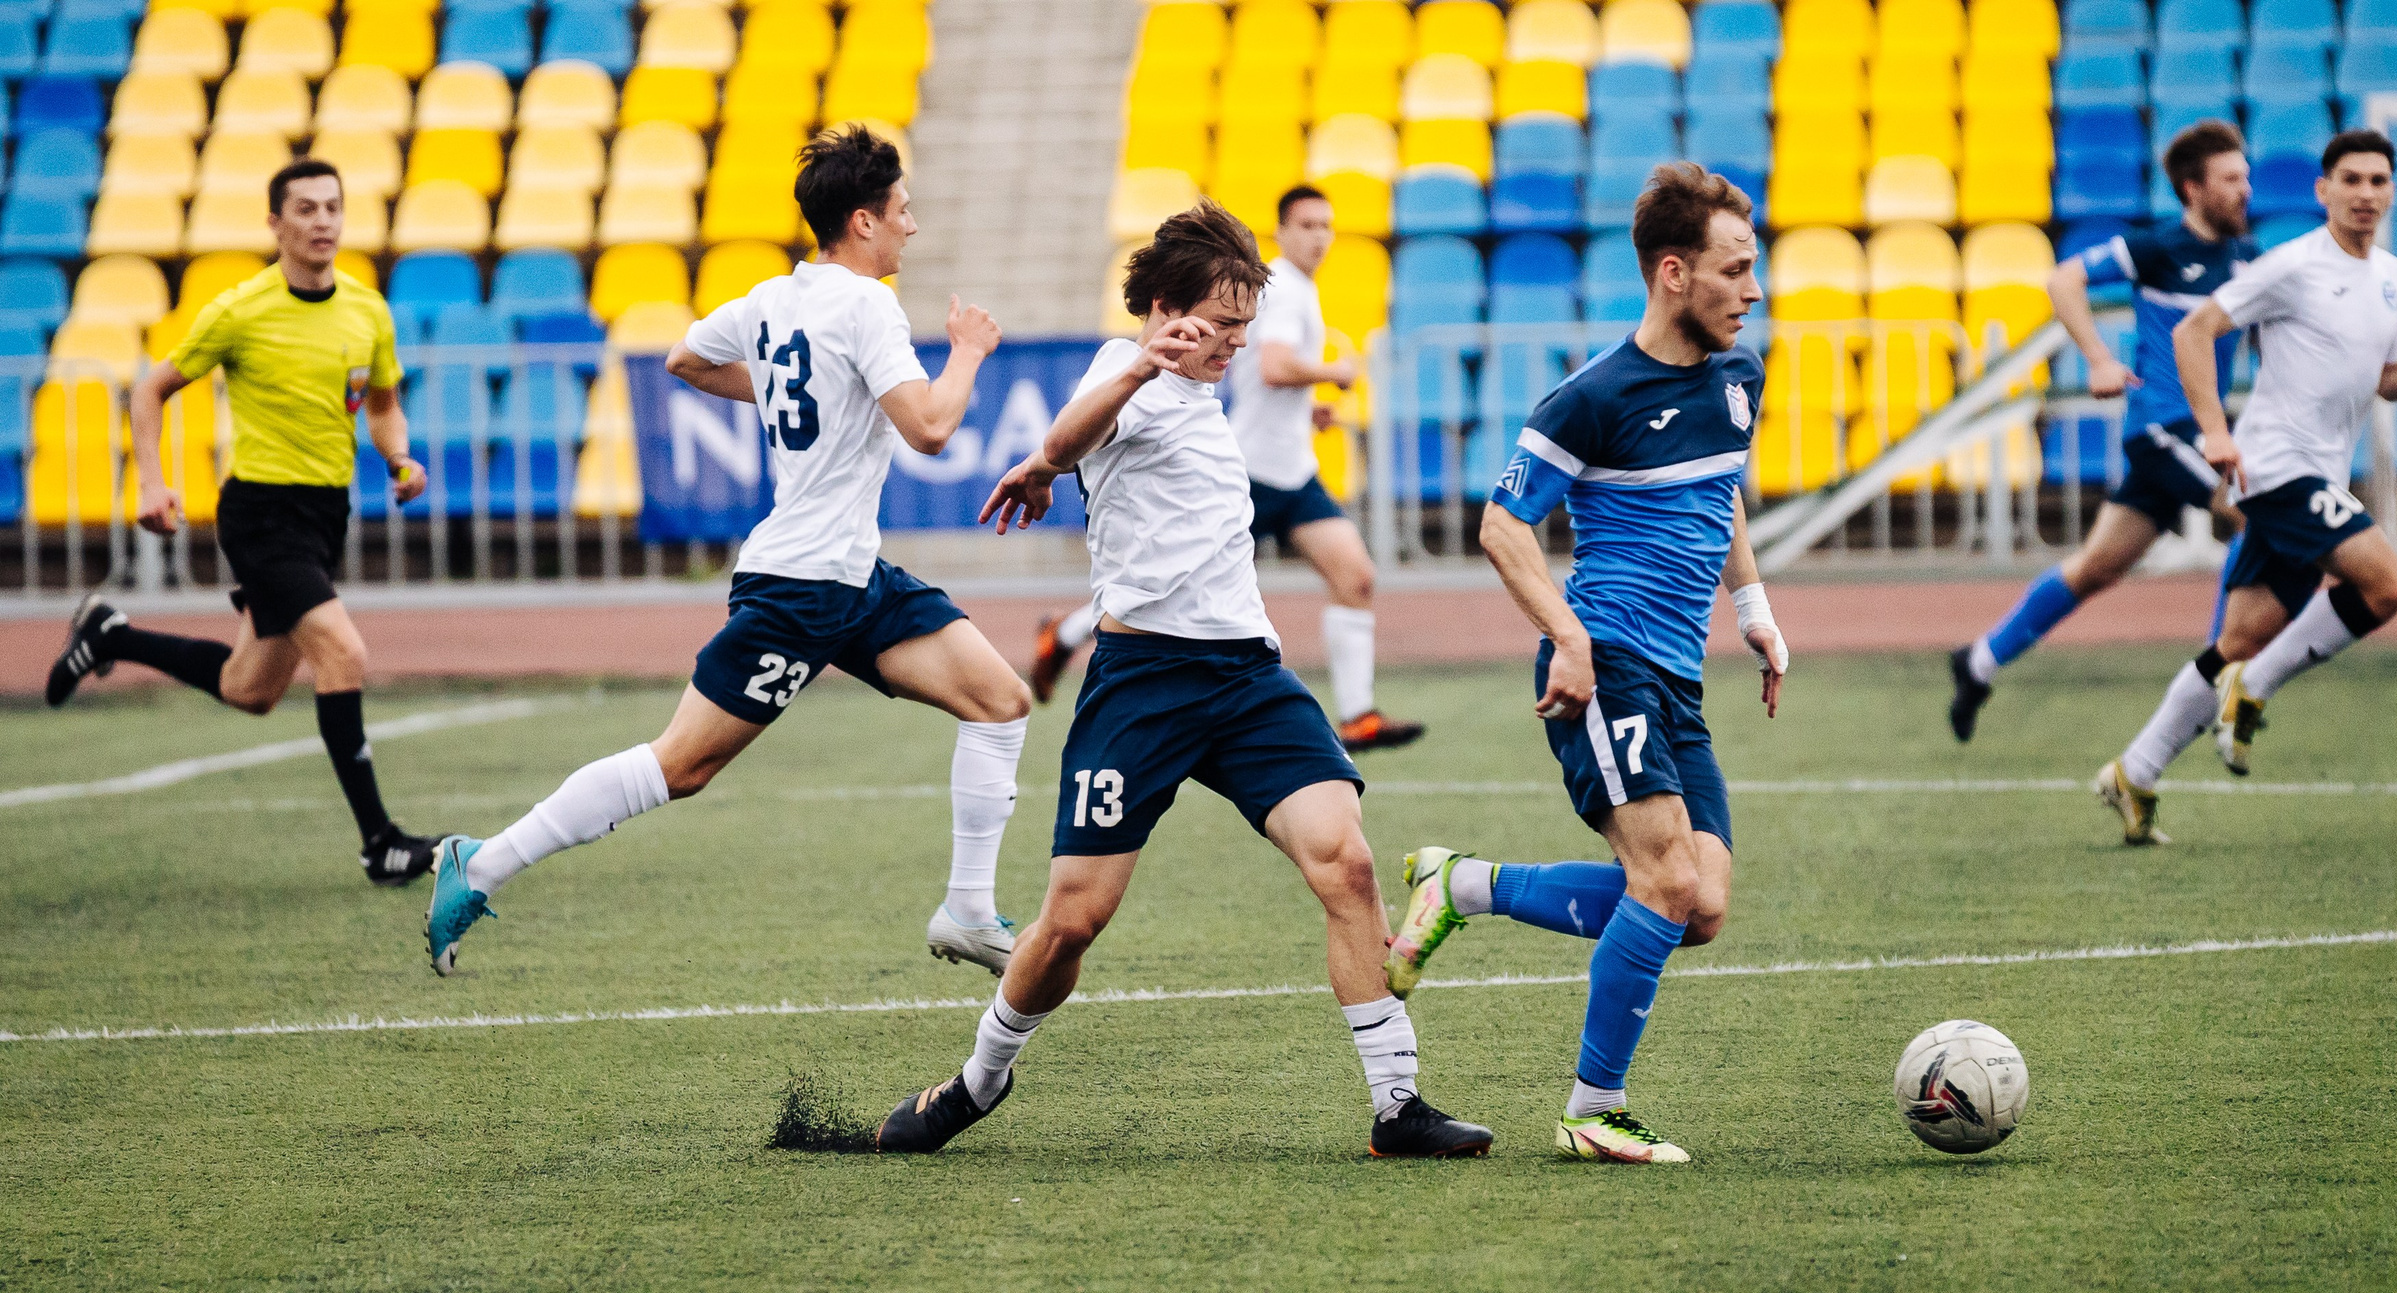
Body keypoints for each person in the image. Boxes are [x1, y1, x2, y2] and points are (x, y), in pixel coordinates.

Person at [869, 200, 1494, 1159]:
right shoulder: (1129, 376)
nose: (1234, 345)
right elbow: (1071, 437)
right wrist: (1121, 381)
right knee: (1073, 919)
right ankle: (977, 1081)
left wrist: (1068, 447)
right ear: (1165, 310)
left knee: (1350, 862)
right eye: (1221, 325)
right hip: (1142, 683)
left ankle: (1398, 1103)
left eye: (1244, 327)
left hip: (1248, 676)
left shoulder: (1205, 398)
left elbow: (1070, 455)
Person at [421, 129, 1036, 975]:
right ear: (862, 221)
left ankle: (967, 910)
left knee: (1001, 700)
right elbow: (930, 427)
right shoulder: (865, 306)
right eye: (902, 211)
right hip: (802, 585)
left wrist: (801, 384)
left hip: (850, 575)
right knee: (682, 765)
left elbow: (684, 358)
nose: (913, 227)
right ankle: (478, 862)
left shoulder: (772, 298)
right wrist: (967, 350)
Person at [1381, 165, 1790, 1165]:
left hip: (1675, 678)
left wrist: (1753, 608)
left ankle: (1461, 885)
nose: (1752, 290)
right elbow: (1501, 524)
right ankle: (1591, 1109)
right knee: (1661, 881)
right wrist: (1567, 637)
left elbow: (1721, 490)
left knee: (1701, 907)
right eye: (1734, 271)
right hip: (1602, 663)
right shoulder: (1592, 398)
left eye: (1756, 269)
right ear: (1671, 272)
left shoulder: (1739, 377)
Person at [44, 159, 445, 885]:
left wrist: (401, 458)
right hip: (260, 514)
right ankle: (379, 843)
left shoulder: (367, 311)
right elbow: (149, 390)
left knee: (249, 689)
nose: (323, 220)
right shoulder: (241, 309)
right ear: (276, 224)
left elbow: (382, 405)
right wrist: (154, 484)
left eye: (333, 207)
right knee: (343, 653)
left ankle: (112, 632)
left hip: (326, 515)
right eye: (306, 209)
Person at [2095, 131, 2397, 844]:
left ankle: (2136, 770)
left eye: (2379, 180)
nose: (2366, 194)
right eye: (2352, 180)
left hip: (2317, 472)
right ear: (2324, 191)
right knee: (2386, 585)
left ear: (2391, 192)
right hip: (2277, 466)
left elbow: (2385, 378)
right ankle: (2254, 689)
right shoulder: (2291, 266)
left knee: (2241, 635)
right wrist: (2215, 431)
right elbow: (2194, 331)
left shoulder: (2391, 277)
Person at [1028, 186, 1427, 753]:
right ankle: (1067, 634)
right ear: (1283, 233)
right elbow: (1273, 366)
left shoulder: (1293, 290)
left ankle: (1358, 713)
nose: (1321, 237)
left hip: (1293, 468)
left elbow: (1262, 373)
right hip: (1254, 469)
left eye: (1327, 225)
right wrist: (1333, 371)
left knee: (1355, 576)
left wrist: (1307, 406)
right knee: (1170, 580)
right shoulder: (1280, 288)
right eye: (1308, 225)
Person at [1948, 121, 2259, 740]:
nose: (2246, 189)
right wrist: (2096, 357)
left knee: (2095, 567)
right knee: (2251, 511)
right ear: (2193, 189)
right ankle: (2219, 680)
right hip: (2165, 429)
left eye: (2246, 176)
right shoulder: (2160, 248)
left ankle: (1979, 660)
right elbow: (2064, 279)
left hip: (2189, 437)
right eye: (2230, 179)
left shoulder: (2247, 260)